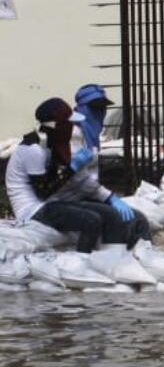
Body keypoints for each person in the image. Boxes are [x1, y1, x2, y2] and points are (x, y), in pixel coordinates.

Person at [5, 97, 147, 252]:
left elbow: (69, 179)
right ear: (56, 125)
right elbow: (44, 191)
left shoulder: (53, 143)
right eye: (68, 123)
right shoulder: (33, 150)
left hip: (52, 203)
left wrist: (108, 197)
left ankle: (113, 257)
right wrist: (72, 168)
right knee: (91, 220)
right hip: (33, 209)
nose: (72, 128)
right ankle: (82, 261)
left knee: (112, 215)